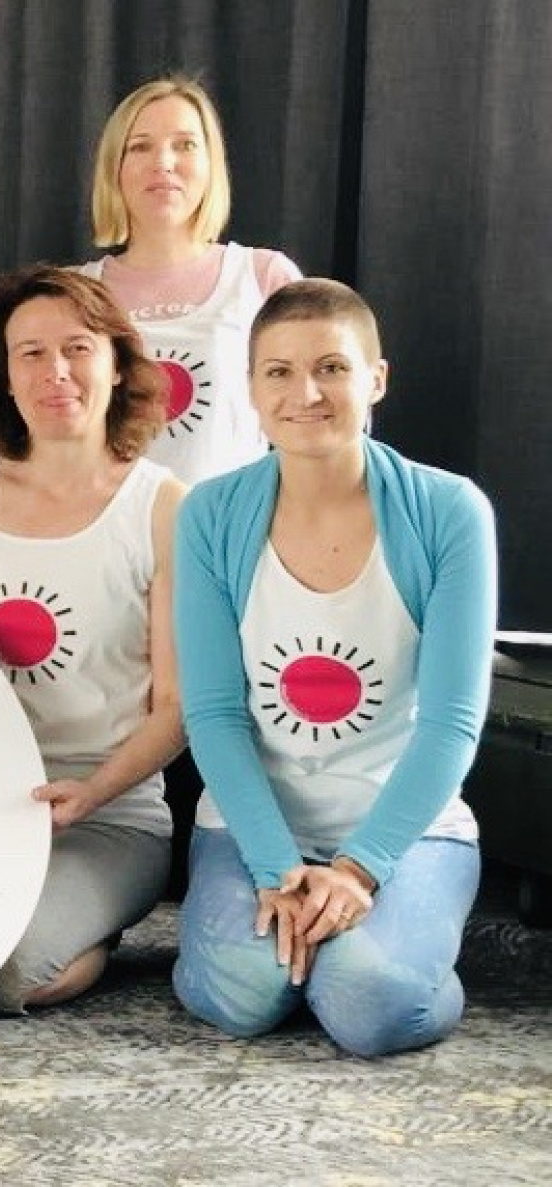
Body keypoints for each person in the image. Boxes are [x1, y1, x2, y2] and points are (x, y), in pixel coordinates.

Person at [172, 279, 494, 1056]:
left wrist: (358, 869)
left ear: (375, 378)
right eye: (279, 372)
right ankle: (310, 951)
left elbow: (451, 724)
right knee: (244, 993)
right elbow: (214, 714)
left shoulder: (450, 511)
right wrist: (276, 867)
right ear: (252, 388)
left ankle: (381, 959)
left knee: (370, 1004)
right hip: (253, 830)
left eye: (332, 368)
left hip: (405, 832)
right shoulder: (209, 513)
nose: (305, 393)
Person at [0, 266, 186, 1012]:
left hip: (109, 818)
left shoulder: (162, 507)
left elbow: (178, 708)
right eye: (30, 353)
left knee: (4, 970)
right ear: (4, 376)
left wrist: (92, 792)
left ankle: (92, 930)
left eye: (77, 348)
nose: (55, 371)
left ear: (117, 363)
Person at [79, 75, 303, 484]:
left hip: (231, 520)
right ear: (114, 168)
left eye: (185, 145)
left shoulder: (264, 278)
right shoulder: (75, 292)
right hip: (106, 522)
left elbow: (316, 418)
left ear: (210, 164)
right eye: (140, 146)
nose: (163, 163)